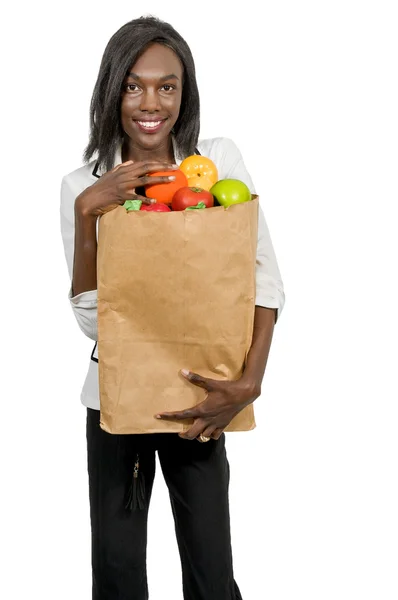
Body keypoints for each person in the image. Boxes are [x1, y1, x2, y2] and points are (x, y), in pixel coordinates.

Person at [60, 15, 285, 600]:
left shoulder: (213, 163)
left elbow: (263, 278)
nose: (149, 102)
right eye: (133, 85)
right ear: (112, 92)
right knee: (116, 572)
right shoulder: (83, 182)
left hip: (202, 395)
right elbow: (93, 319)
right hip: (116, 397)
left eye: (167, 86)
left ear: (185, 95)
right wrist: (90, 213)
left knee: (212, 571)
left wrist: (251, 379)